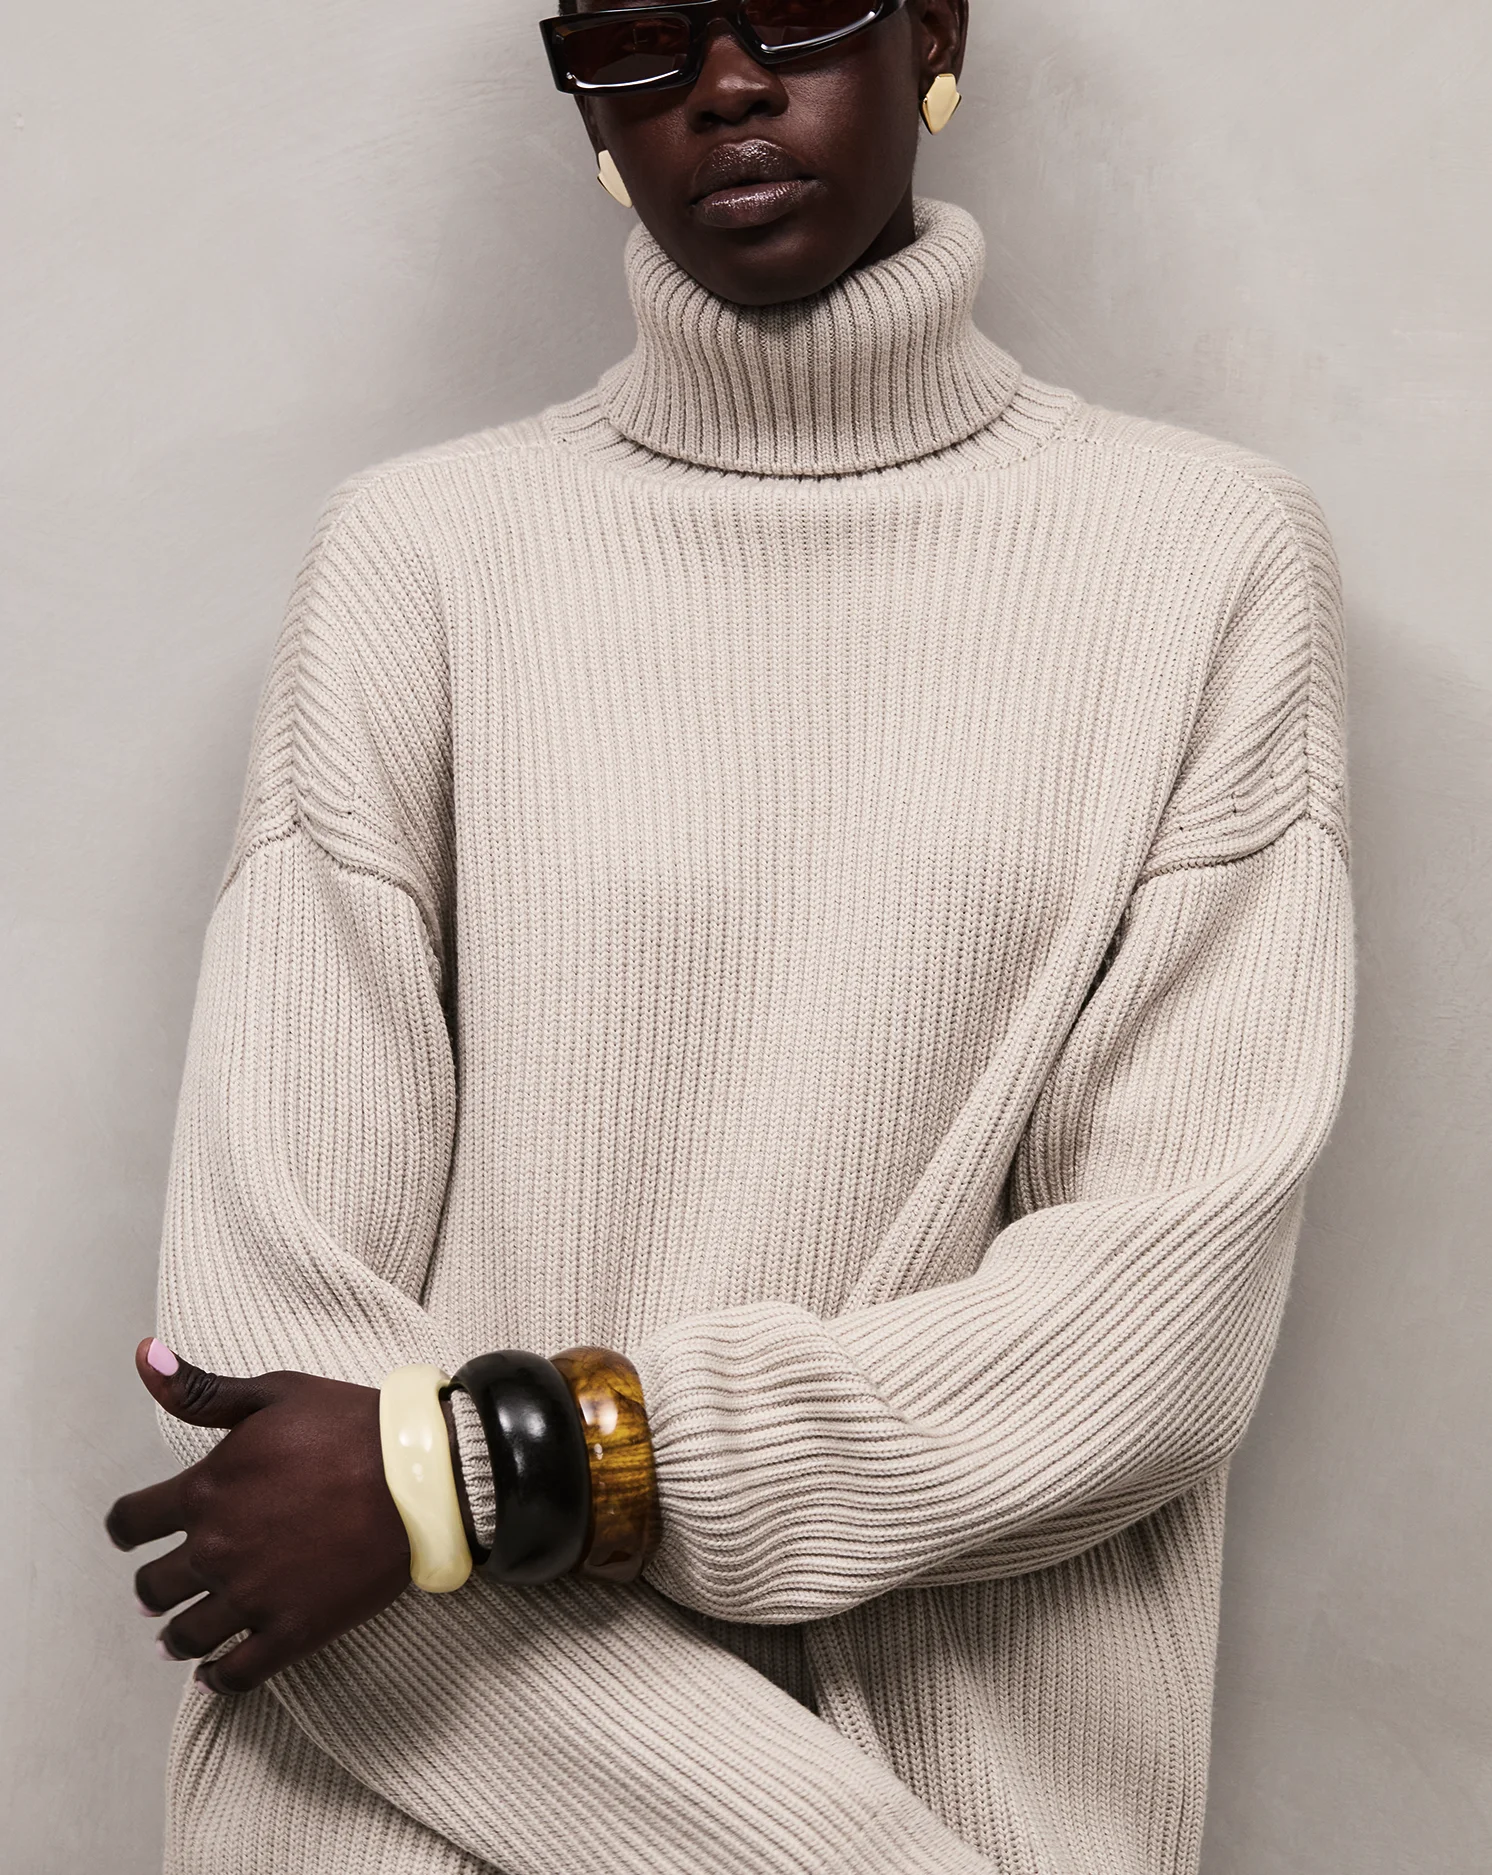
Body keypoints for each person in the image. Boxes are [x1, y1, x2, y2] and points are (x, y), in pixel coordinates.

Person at [105, 2, 1354, 1870]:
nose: (728, 82)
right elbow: (273, 1389)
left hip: (952, 1799)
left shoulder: (1205, 560)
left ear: (935, 31)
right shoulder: (419, 561)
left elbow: (1147, 1337)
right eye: (638, 32)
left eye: (800, 7)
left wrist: (498, 1467)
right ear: (587, 104)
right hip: (430, 1813)